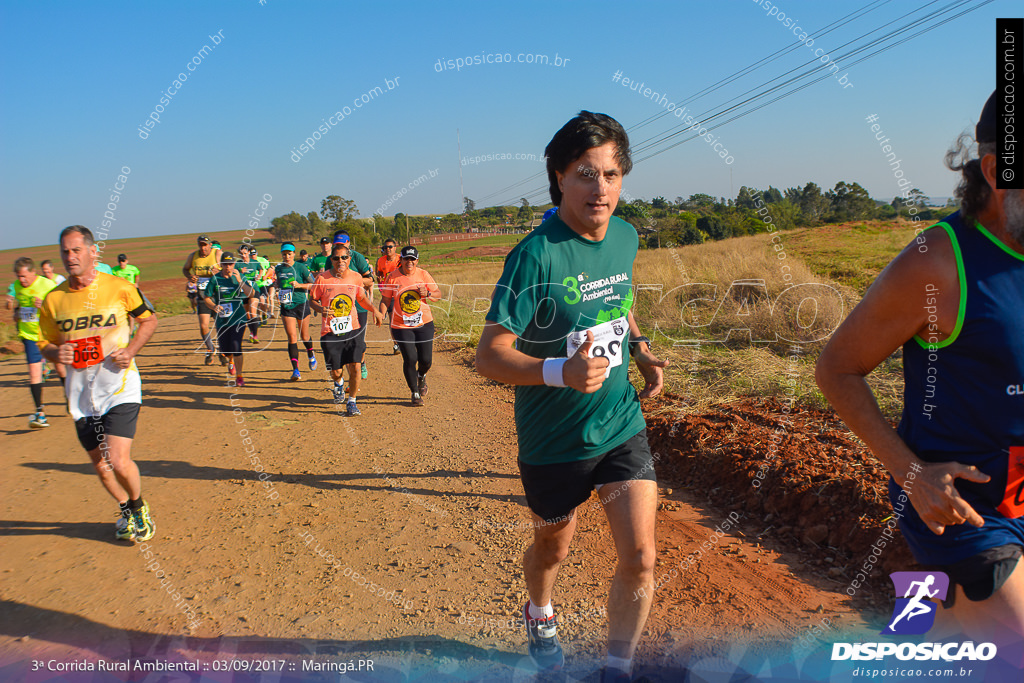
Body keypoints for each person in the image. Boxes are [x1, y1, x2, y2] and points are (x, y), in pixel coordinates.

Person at [816, 91, 1024, 669]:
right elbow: (837, 367)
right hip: (963, 507)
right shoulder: (939, 261)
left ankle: (918, 627)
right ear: (995, 171)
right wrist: (912, 475)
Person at [474, 111, 669, 680]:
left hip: (618, 422)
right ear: (559, 177)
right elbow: (489, 354)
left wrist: (639, 347)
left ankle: (617, 667)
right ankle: (539, 609)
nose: (600, 188)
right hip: (553, 439)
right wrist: (560, 371)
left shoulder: (627, 235)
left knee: (640, 557)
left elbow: (619, 299)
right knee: (553, 549)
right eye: (585, 174)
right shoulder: (535, 255)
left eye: (611, 174)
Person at [39, 225, 159, 542]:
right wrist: (56, 351)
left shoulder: (119, 287)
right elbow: (45, 343)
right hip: (80, 397)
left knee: (118, 460)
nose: (70, 257)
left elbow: (149, 320)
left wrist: (131, 350)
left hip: (120, 387)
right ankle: (125, 508)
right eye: (65, 251)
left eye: (76, 250)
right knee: (102, 465)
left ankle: (138, 506)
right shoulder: (54, 299)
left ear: (93, 252)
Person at [309, 243, 383, 416]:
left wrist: (375, 311)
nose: (340, 261)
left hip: (353, 328)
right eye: (336, 258)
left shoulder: (356, 277)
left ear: (349, 259)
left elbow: (362, 298)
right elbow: (312, 300)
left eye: (344, 257)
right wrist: (320, 309)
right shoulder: (322, 279)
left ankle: (352, 402)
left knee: (356, 366)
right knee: (336, 371)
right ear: (331, 260)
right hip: (330, 331)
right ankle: (339, 383)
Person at [379, 246, 441, 407]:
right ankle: (414, 392)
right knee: (410, 358)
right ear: (401, 260)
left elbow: (438, 295)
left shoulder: (423, 274)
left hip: (424, 323)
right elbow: (385, 300)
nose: (410, 262)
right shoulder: (392, 277)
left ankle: (421, 376)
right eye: (407, 259)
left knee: (426, 360)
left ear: (417, 260)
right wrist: (381, 313)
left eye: (413, 259)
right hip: (401, 325)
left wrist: (426, 293)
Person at [12, 257, 57, 428]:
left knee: (61, 368)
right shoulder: (17, 287)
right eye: (18, 276)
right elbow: (20, 305)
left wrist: (44, 305)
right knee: (34, 374)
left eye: (24, 276)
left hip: (48, 334)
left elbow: (60, 306)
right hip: (29, 335)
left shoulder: (47, 285)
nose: (21, 280)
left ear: (33, 272)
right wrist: (17, 313)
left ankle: (70, 399)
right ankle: (40, 413)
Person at [203, 253, 257, 386]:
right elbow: (206, 298)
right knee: (226, 350)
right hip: (222, 320)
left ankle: (239, 376)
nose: (228, 267)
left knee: (236, 345)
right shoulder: (215, 279)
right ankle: (230, 360)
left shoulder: (239, 277)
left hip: (238, 318)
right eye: (225, 264)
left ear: (234, 265)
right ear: (221, 265)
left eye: (231, 264)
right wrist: (214, 306)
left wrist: (240, 281)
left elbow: (251, 294)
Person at [332, 231, 374, 380]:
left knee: (358, 343)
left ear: (349, 243)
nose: (340, 247)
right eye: (337, 245)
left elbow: (370, 280)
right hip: (339, 309)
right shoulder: (331, 259)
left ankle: (361, 362)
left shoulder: (358, 258)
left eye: (343, 244)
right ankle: (350, 378)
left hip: (359, 306)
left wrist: (354, 282)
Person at [274, 242, 317, 380]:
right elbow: (278, 283)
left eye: (289, 254)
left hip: (301, 304)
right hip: (287, 306)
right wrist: (276, 290)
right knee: (292, 337)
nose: (287, 256)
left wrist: (300, 285)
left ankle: (311, 354)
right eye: (284, 254)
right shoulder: (279, 269)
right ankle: (296, 370)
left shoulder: (301, 267)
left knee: (304, 336)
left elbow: (314, 284)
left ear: (294, 254)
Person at [181, 235, 225, 366]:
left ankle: (223, 349)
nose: (203, 247)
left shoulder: (217, 254)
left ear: (210, 245)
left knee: (220, 325)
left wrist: (219, 272)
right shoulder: (193, 256)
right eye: (201, 245)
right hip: (202, 295)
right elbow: (185, 268)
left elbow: (230, 270)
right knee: (203, 325)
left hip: (218, 296)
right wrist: (190, 276)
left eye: (205, 245)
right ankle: (210, 348)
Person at [375, 238, 402, 355]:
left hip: (401, 291)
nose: (388, 249)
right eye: (385, 247)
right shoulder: (381, 260)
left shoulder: (401, 259)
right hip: (389, 292)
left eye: (390, 247)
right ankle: (396, 344)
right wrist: (380, 278)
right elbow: (379, 272)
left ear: (395, 248)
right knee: (393, 319)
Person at [236, 245, 263, 344]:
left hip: (254, 289)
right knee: (247, 314)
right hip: (242, 292)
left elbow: (261, 269)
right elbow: (231, 273)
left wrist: (259, 276)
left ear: (248, 253)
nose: (243, 255)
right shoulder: (237, 264)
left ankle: (255, 336)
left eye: (245, 253)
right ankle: (252, 332)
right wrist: (239, 271)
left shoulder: (254, 262)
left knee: (252, 312)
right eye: (241, 254)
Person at [252, 247, 274, 319]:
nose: (253, 256)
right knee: (255, 303)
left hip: (262, 284)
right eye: (251, 255)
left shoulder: (262, 260)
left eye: (254, 254)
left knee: (262, 301)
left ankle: (264, 315)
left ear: (257, 254)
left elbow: (270, 269)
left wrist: (266, 276)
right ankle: (258, 318)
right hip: (252, 286)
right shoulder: (247, 262)